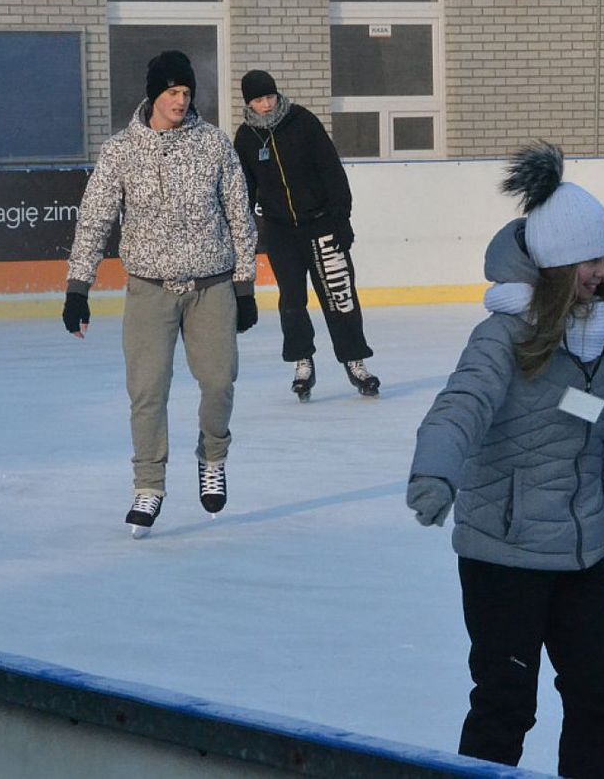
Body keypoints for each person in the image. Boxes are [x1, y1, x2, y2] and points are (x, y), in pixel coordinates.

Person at [406, 142, 604, 778]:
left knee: (600, 703)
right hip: (506, 556)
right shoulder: (504, 335)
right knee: (505, 706)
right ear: (552, 264)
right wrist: (435, 472)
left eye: (603, 257)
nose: (599, 271)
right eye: (585, 260)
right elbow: (460, 404)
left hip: (581, 558)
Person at [62, 50, 258, 539]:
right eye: (172, 91)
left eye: (186, 92)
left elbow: (240, 216)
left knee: (219, 382)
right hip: (149, 291)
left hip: (211, 286)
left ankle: (212, 456)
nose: (180, 100)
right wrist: (77, 289)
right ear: (154, 94)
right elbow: (95, 219)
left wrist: (245, 285)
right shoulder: (121, 150)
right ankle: (149, 484)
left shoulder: (213, 144)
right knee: (147, 392)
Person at [232, 69, 379, 400]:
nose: (266, 105)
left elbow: (331, 171)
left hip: (322, 224)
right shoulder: (245, 138)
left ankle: (355, 361)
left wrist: (341, 219)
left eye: (269, 97)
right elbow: (245, 189)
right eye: (258, 100)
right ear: (248, 103)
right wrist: (240, 226)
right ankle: (303, 361)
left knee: (339, 296)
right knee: (292, 301)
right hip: (281, 231)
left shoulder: (302, 122)